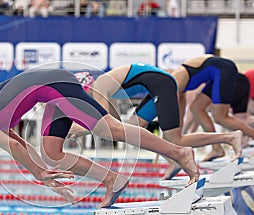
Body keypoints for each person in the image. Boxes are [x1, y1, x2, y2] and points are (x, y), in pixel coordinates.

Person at [0, 69, 199, 208]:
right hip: (50, 88)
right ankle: (113, 179)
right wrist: (47, 177)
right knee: (51, 152)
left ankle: (179, 153)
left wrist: (39, 174)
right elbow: (20, 146)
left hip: (52, 85)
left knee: (109, 129)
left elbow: (11, 146)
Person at [72, 64, 242, 180]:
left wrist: (81, 129)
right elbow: (115, 124)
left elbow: (104, 122)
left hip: (163, 84)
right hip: (155, 86)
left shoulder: (101, 84)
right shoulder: (104, 87)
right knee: (132, 130)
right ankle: (173, 160)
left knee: (176, 139)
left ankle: (229, 137)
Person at [171, 54, 254, 163]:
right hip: (218, 72)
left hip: (224, 70)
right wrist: (176, 140)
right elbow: (178, 119)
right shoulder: (176, 86)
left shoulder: (174, 83)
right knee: (196, 108)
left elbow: (173, 118)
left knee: (220, 117)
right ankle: (217, 148)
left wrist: (174, 140)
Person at [190, 73, 254, 159]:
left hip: (235, 79)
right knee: (241, 119)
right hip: (241, 79)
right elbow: (196, 117)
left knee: (220, 117)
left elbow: (192, 117)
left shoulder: (195, 91)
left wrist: (186, 135)